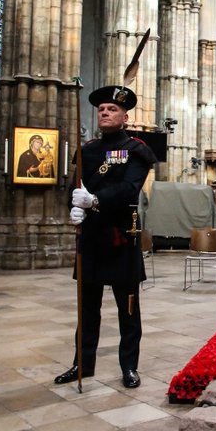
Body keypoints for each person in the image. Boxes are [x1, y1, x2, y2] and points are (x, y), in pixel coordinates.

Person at [54, 85, 157, 389]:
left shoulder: (136, 150)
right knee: (86, 310)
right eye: (101, 109)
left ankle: (129, 367)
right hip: (91, 240)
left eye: (112, 109)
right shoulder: (87, 150)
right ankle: (82, 364)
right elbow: (74, 187)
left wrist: (93, 202)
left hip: (121, 238)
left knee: (127, 310)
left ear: (125, 116)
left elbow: (129, 190)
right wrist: (73, 208)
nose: (105, 113)